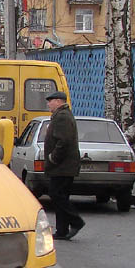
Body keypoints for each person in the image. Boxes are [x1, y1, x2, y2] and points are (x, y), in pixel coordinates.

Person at [43, 89, 85, 240]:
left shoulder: (62, 117)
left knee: (56, 194)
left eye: (50, 101)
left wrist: (53, 158)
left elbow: (63, 141)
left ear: (59, 101)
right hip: (63, 166)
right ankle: (62, 230)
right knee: (62, 196)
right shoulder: (62, 115)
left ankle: (76, 221)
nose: (48, 104)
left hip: (62, 166)